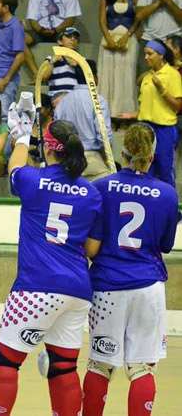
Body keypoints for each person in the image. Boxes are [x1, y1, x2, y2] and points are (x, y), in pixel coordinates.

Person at [0, 117, 102, 416]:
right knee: (63, 368)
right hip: (77, 290)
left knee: (3, 363)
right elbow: (91, 248)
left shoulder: (33, 181)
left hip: (36, 288)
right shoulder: (91, 193)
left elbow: (14, 167)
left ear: (48, 148)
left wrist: (22, 136)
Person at [82, 124, 178, 416]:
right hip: (147, 286)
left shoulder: (100, 187)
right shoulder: (167, 194)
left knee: (100, 364)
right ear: (151, 156)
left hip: (107, 286)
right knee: (141, 368)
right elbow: (165, 245)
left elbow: (91, 250)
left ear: (123, 152)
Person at [54, 60, 115, 181]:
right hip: (92, 162)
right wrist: (107, 160)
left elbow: (56, 134)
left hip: (68, 162)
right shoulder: (98, 101)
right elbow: (104, 138)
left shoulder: (62, 102)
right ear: (95, 77)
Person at [24, 0, 82, 76]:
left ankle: (66, 75)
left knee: (70, 38)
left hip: (60, 32)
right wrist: (41, 30)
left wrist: (56, 30)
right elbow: (32, 19)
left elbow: (71, 19)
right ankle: (37, 74)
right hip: (40, 32)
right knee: (19, 40)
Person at [137, 40, 182, 186]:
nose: (146, 57)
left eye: (150, 54)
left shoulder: (172, 75)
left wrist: (162, 90)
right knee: (145, 170)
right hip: (145, 128)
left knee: (164, 171)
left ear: (161, 55)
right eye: (145, 54)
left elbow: (177, 105)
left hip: (164, 129)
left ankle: (169, 206)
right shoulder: (147, 76)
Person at [98, 0, 141, 118]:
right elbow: (102, 20)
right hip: (109, 39)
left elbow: (138, 19)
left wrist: (128, 35)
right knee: (108, 75)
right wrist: (108, 38)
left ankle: (125, 114)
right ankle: (107, 112)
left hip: (128, 40)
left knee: (126, 75)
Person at [38, 27, 82, 103]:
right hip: (56, 98)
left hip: (75, 99)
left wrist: (78, 67)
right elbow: (44, 78)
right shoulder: (50, 58)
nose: (73, 39)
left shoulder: (81, 61)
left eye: (76, 37)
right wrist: (52, 62)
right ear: (59, 41)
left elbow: (88, 81)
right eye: (68, 36)